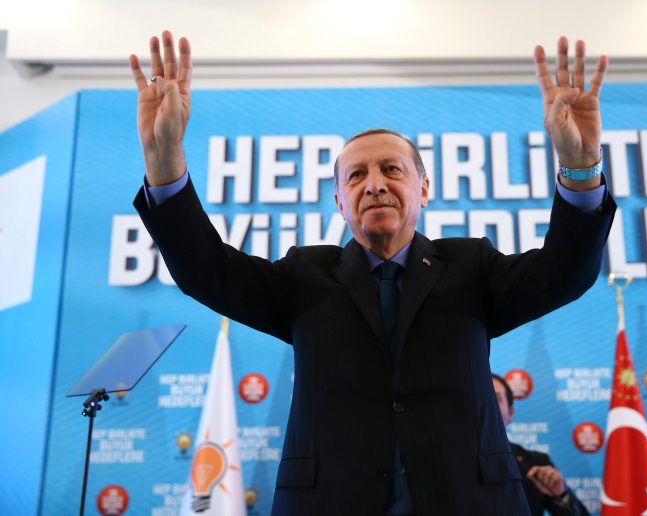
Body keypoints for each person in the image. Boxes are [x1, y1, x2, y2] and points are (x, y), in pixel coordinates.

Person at [129, 31, 615, 516]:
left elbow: (564, 273)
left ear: (424, 189)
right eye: (356, 176)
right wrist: (164, 159)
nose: (375, 184)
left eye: (392, 170)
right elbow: (206, 269)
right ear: (339, 200)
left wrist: (579, 165)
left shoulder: (471, 267)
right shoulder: (304, 276)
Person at [492, 374, 589, 515]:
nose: (486, 407)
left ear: (511, 413)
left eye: (495, 399)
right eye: (477, 399)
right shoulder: (449, 462)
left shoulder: (536, 464)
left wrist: (561, 494)